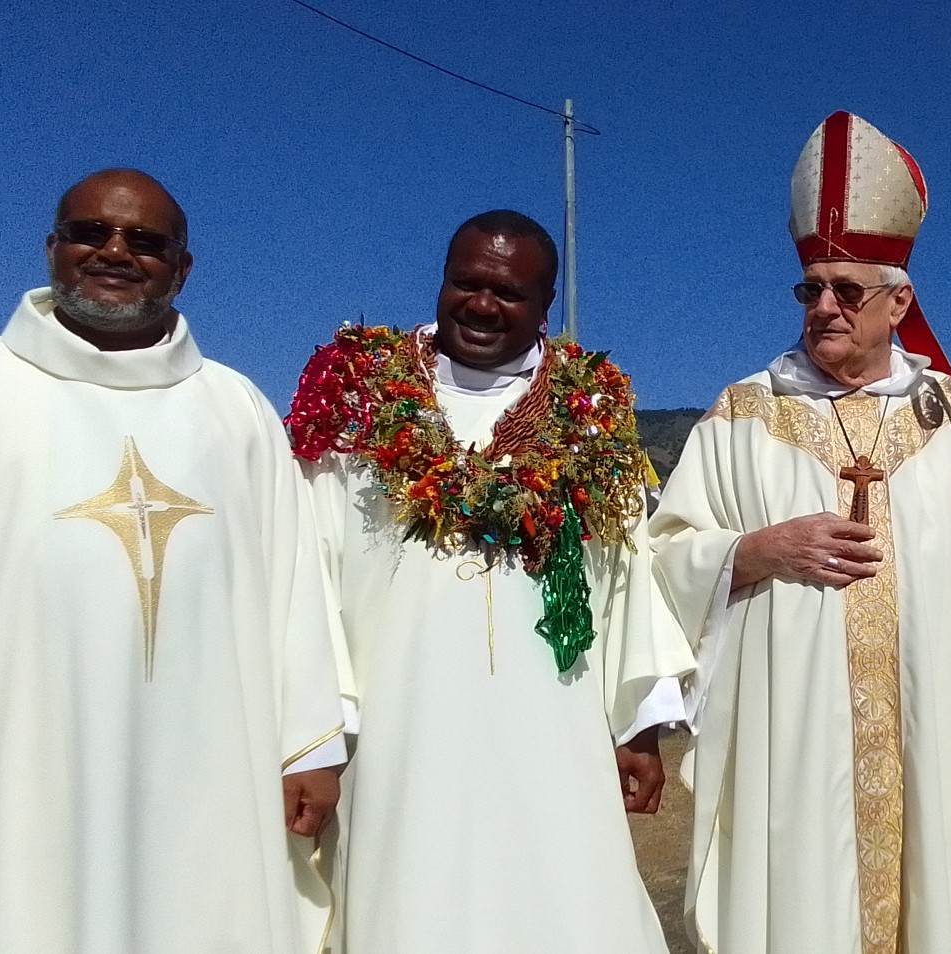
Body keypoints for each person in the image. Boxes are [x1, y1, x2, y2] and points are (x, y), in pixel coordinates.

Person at [0, 169, 346, 952]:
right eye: (90, 232)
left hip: (203, 777)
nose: (115, 252)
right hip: (5, 772)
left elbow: (294, 590)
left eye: (145, 241)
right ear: (53, 247)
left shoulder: (236, 410)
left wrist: (311, 748)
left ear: (182, 268)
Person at [650, 111, 951, 954]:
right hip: (793, 754)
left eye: (848, 289)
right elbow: (662, 558)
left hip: (936, 736)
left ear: (900, 301)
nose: (826, 307)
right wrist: (752, 551)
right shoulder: (744, 416)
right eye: (811, 289)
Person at [286, 210, 695, 952]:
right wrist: (314, 737)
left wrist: (638, 722)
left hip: (555, 727)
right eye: (464, 283)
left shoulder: (590, 419)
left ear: (545, 306)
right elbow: (306, 567)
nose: (479, 304)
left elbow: (625, 570)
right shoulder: (360, 404)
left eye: (506, 292)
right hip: (397, 733)